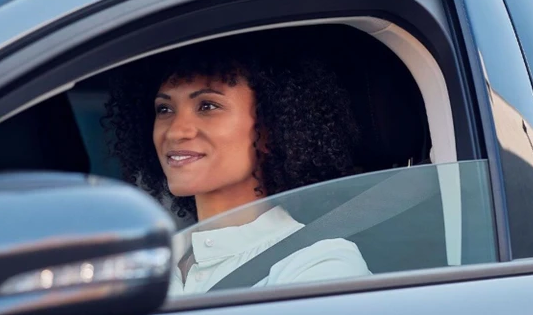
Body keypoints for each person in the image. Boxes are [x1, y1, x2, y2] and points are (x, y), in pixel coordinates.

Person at [102, 30, 371, 295]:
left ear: (270, 130)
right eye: (165, 109)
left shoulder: (319, 266)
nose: (175, 131)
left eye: (207, 106)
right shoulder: (145, 265)